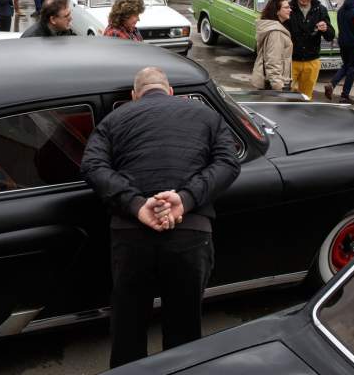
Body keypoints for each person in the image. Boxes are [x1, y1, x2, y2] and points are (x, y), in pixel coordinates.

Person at [81, 66, 240, 368]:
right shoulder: (206, 116)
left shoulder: (113, 120)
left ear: (134, 96)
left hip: (130, 237)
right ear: (170, 91)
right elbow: (228, 163)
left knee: (128, 324)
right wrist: (185, 198)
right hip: (191, 233)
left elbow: (92, 167)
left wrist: (137, 205)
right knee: (184, 324)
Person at [284, 0, 334, 100]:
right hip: (290, 61)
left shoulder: (321, 10)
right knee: (284, 96)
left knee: (305, 98)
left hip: (312, 62)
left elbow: (330, 36)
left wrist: (325, 28)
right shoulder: (287, 8)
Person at [251, 0, 292, 91]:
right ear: (277, 11)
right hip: (275, 84)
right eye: (286, 7)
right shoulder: (275, 33)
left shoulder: (274, 28)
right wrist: (279, 88)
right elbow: (273, 62)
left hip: (273, 81)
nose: (290, 10)